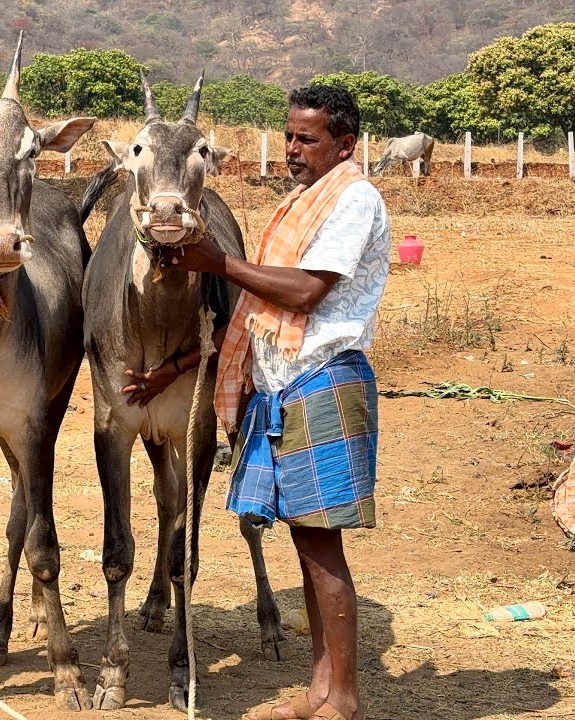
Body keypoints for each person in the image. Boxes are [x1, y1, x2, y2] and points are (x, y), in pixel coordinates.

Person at [163, 85, 390, 720]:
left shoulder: (353, 199)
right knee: (304, 540)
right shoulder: (300, 204)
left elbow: (304, 291)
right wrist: (175, 368)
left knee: (322, 545)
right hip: (285, 385)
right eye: (289, 136)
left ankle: (341, 699)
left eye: (307, 138)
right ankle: (319, 689)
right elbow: (255, 312)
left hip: (322, 378)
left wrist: (220, 262)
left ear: (345, 145)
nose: (292, 149)